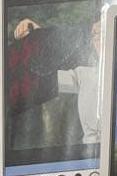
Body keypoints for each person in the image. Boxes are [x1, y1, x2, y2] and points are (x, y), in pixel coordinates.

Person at [12, 17, 101, 145]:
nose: (96, 38)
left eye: (101, 31)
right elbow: (47, 78)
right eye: (93, 33)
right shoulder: (84, 75)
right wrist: (37, 34)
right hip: (90, 152)